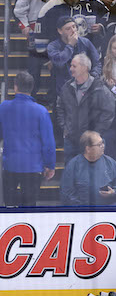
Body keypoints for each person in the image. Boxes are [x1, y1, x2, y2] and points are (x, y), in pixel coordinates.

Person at [14, 0, 66, 98]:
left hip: (59, 30)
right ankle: (31, 98)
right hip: (37, 30)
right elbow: (19, 8)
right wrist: (24, 27)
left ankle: (54, 98)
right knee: (34, 67)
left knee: (58, 65)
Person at [0, 72, 56, 206]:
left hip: (10, 165)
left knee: (9, 207)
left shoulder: (3, 107)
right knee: (29, 208)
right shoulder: (41, 111)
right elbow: (48, 143)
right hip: (33, 167)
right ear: (32, 87)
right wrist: (50, 165)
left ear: (15, 87)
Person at [55, 51, 115, 164]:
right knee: (71, 174)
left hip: (92, 142)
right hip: (71, 140)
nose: (71, 69)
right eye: (71, 66)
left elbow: (108, 112)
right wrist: (65, 127)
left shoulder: (100, 88)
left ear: (84, 68)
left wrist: (97, 133)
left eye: (74, 66)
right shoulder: (67, 87)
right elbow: (60, 107)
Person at [60, 130, 116, 205]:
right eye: (99, 144)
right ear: (88, 149)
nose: (103, 146)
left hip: (108, 208)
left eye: (103, 142)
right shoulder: (73, 166)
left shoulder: (111, 163)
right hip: (82, 210)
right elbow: (67, 194)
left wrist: (114, 192)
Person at [47, 15, 102, 96]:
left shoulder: (85, 42)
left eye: (74, 27)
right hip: (64, 90)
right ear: (60, 31)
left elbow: (97, 63)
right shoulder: (53, 46)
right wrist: (70, 45)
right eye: (68, 29)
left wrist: (92, 77)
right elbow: (59, 62)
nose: (73, 30)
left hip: (85, 89)